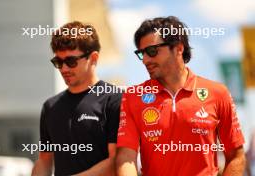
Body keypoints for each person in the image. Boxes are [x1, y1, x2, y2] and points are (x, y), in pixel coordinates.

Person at [116, 16, 246, 176]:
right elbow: (126, 158)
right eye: (141, 53)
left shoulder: (218, 93)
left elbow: (236, 157)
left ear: (178, 48)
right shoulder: (132, 96)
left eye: (152, 51)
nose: (145, 60)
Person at [31, 21, 122, 176]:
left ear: (93, 58)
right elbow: (45, 161)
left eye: (71, 61)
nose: (64, 68)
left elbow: (118, 160)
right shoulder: (50, 107)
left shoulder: (115, 99)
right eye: (58, 62)